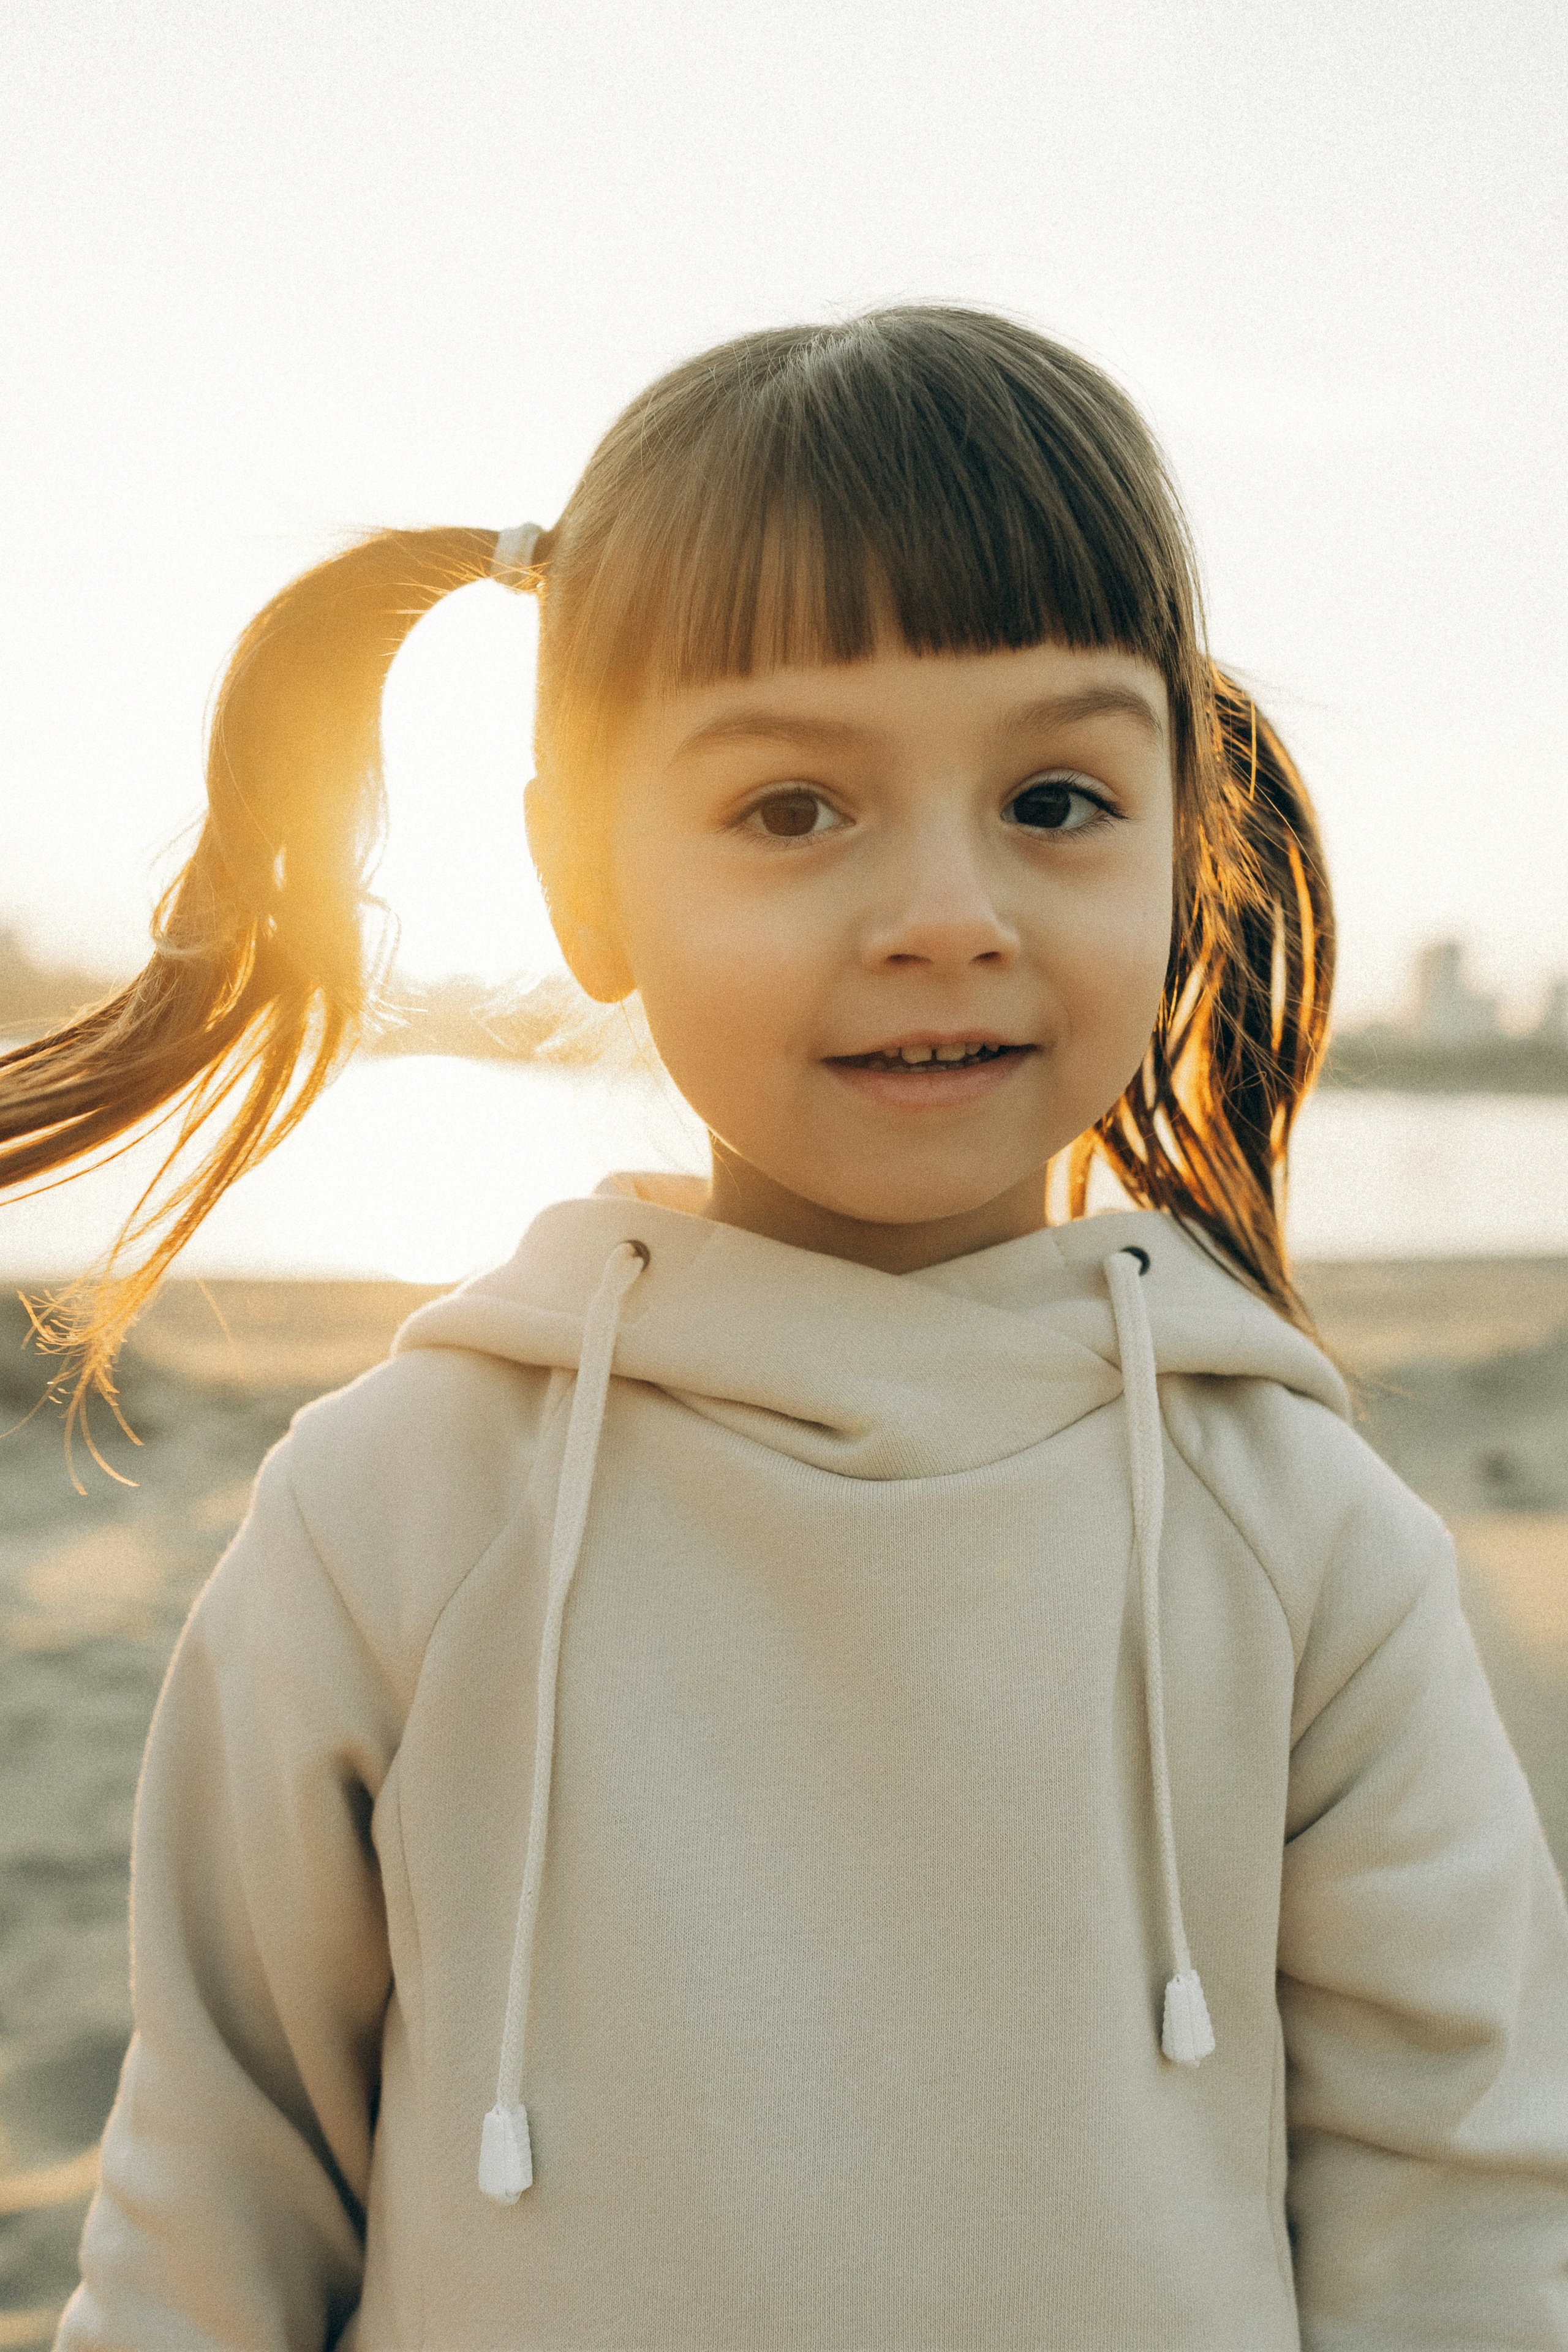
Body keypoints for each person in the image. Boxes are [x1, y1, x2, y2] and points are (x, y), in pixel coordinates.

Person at [8, 307, 1566, 2349]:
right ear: (583, 873)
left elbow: (1453, 2222)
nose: (947, 908)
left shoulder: (1303, 1535)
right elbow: (214, 2196)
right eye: (791, 813)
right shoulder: (396, 1511)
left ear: (1188, 847)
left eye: (1059, 800)